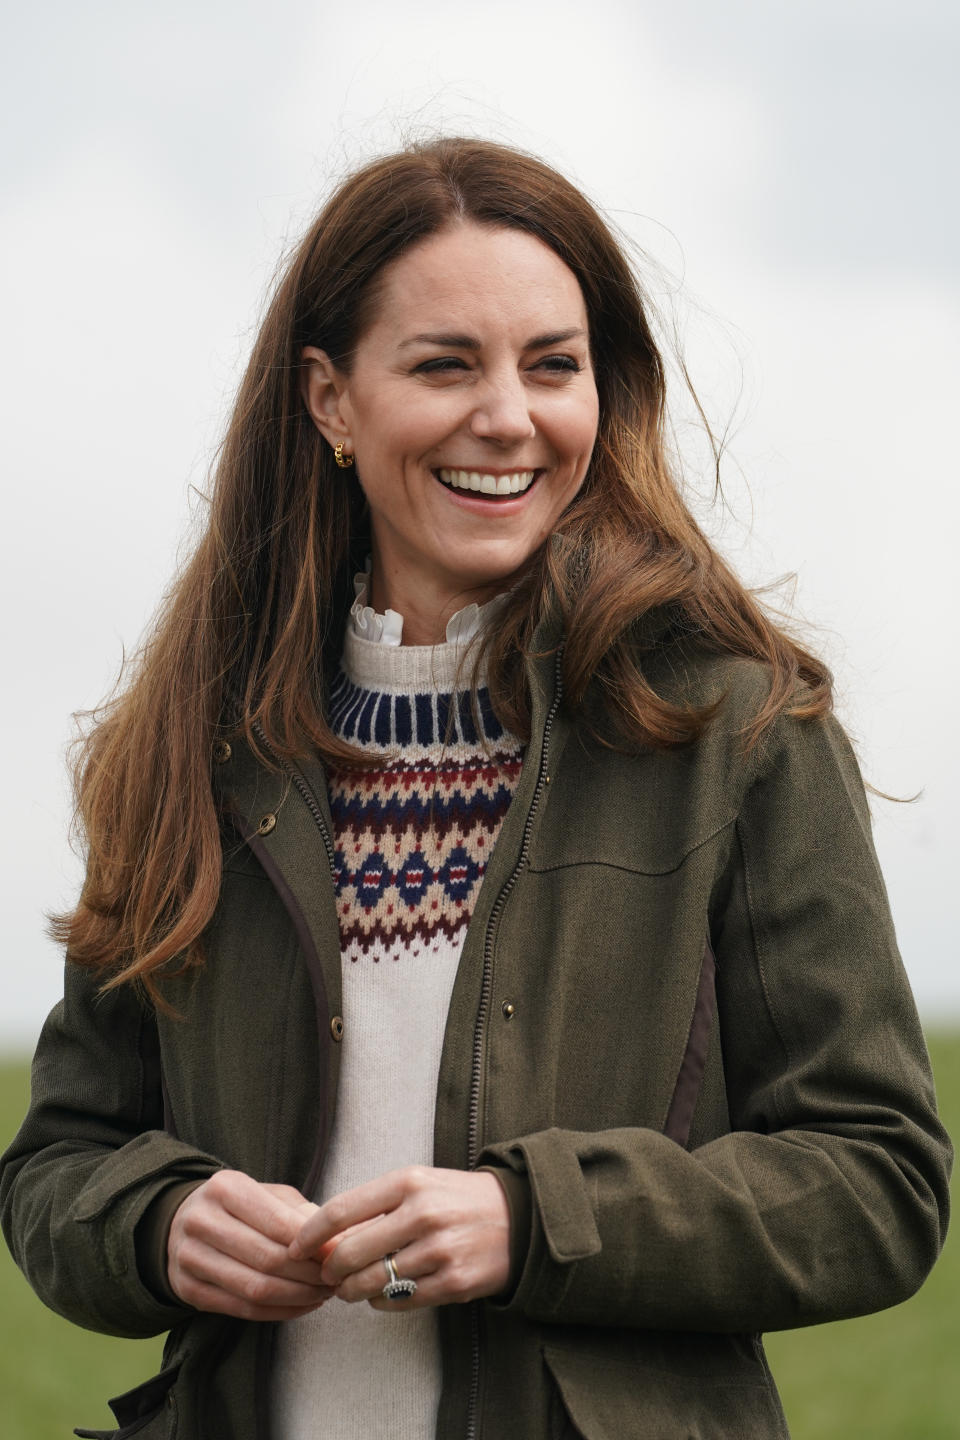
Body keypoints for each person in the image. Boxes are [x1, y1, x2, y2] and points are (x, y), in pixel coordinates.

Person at [0, 136, 951, 1440]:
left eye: (552, 366)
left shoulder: (740, 731)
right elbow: (56, 1167)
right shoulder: (192, 748)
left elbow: (878, 1184)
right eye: (446, 363)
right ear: (331, 400)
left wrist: (535, 1218)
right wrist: (156, 1222)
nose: (509, 415)